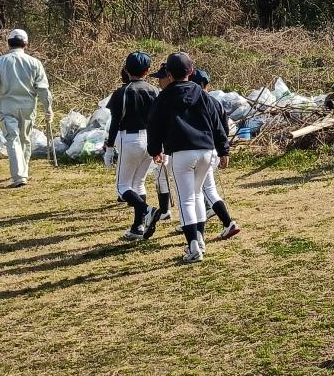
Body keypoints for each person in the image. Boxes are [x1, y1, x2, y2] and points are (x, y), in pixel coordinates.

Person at [146, 52, 233, 264]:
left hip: (181, 153)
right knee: (196, 195)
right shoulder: (202, 94)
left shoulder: (164, 97)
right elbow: (216, 123)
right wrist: (223, 150)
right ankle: (199, 240)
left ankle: (193, 246)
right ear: (191, 71)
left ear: (168, 73)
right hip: (205, 151)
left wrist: (155, 149)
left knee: (186, 199)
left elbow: (154, 126)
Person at [0, 28, 53, 188]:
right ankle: (23, 172)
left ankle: (19, 176)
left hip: (8, 107)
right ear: (26, 44)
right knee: (25, 139)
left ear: (9, 43)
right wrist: (48, 108)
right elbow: (43, 89)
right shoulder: (35, 63)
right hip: (28, 107)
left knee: (13, 139)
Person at [101, 51, 162, 241]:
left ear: (126, 70)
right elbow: (160, 120)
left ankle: (147, 210)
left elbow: (114, 122)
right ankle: (138, 226)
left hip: (130, 139)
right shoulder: (155, 90)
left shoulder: (123, 91)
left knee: (122, 187)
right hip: (149, 139)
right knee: (138, 183)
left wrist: (109, 148)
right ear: (148, 71)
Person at [187, 66, 240, 238]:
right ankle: (224, 223)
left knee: (200, 191)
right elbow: (223, 129)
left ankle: (200, 228)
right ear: (206, 84)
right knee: (207, 189)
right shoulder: (215, 102)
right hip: (213, 150)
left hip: (197, 150)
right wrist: (224, 150)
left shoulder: (190, 101)